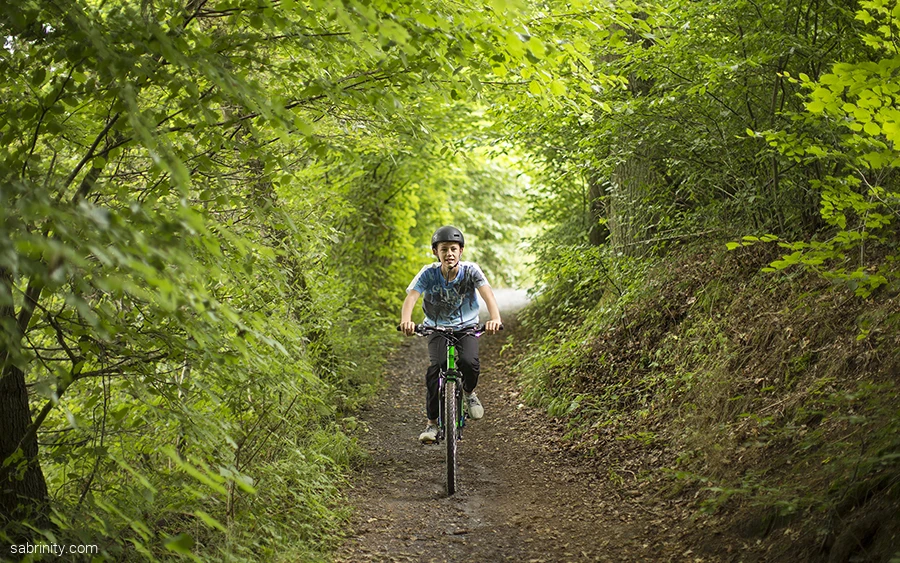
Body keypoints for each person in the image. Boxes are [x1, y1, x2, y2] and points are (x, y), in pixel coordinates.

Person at [399, 226, 503, 443]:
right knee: (435, 369)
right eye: (444, 249)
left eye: (453, 249)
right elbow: (412, 297)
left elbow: (488, 295)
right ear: (435, 252)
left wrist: (495, 319)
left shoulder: (471, 271)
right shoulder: (428, 273)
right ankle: (432, 425)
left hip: (466, 327)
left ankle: (468, 392)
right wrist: (406, 321)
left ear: (461, 251)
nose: (449, 253)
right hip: (436, 328)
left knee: (469, 362)